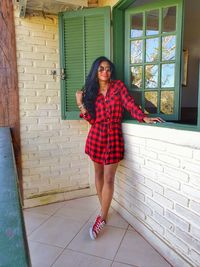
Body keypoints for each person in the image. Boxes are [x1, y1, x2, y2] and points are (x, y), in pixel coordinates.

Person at [76, 56, 164, 240]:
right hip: (96, 136)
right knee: (98, 175)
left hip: (114, 136)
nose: (105, 72)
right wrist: (80, 104)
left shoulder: (118, 87)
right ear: (95, 71)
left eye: (108, 69)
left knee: (109, 178)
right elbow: (91, 120)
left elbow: (130, 104)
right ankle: (104, 207)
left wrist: (143, 117)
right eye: (101, 69)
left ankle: (102, 217)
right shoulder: (90, 92)